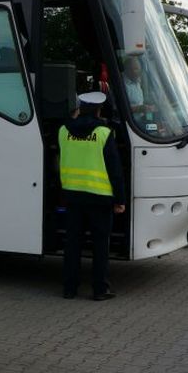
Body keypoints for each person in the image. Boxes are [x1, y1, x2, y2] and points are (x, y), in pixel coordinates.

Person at [58, 91, 126, 301]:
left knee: (72, 244)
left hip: (72, 196)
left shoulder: (62, 131)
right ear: (98, 110)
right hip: (100, 197)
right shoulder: (104, 133)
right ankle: (99, 289)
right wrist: (120, 199)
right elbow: (115, 169)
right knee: (99, 245)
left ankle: (69, 289)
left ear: (79, 108)